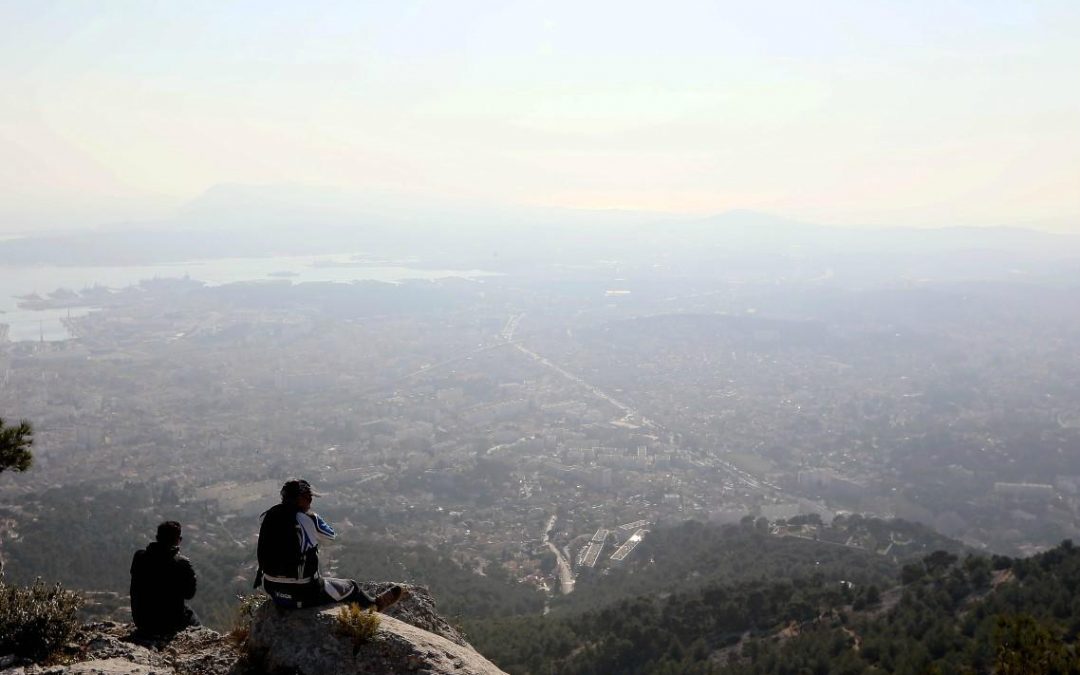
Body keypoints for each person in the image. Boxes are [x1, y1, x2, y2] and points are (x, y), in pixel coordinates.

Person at [255, 478, 404, 611]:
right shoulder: (309, 518)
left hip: (274, 591)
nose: (310, 502)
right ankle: (375, 605)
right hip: (303, 594)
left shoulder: (268, 515)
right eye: (309, 498)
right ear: (301, 499)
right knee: (351, 587)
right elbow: (330, 537)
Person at [130, 521, 199, 636]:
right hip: (169, 624)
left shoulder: (139, 557)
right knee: (192, 618)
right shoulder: (181, 563)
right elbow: (189, 594)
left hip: (142, 621)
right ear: (178, 540)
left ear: (157, 537)